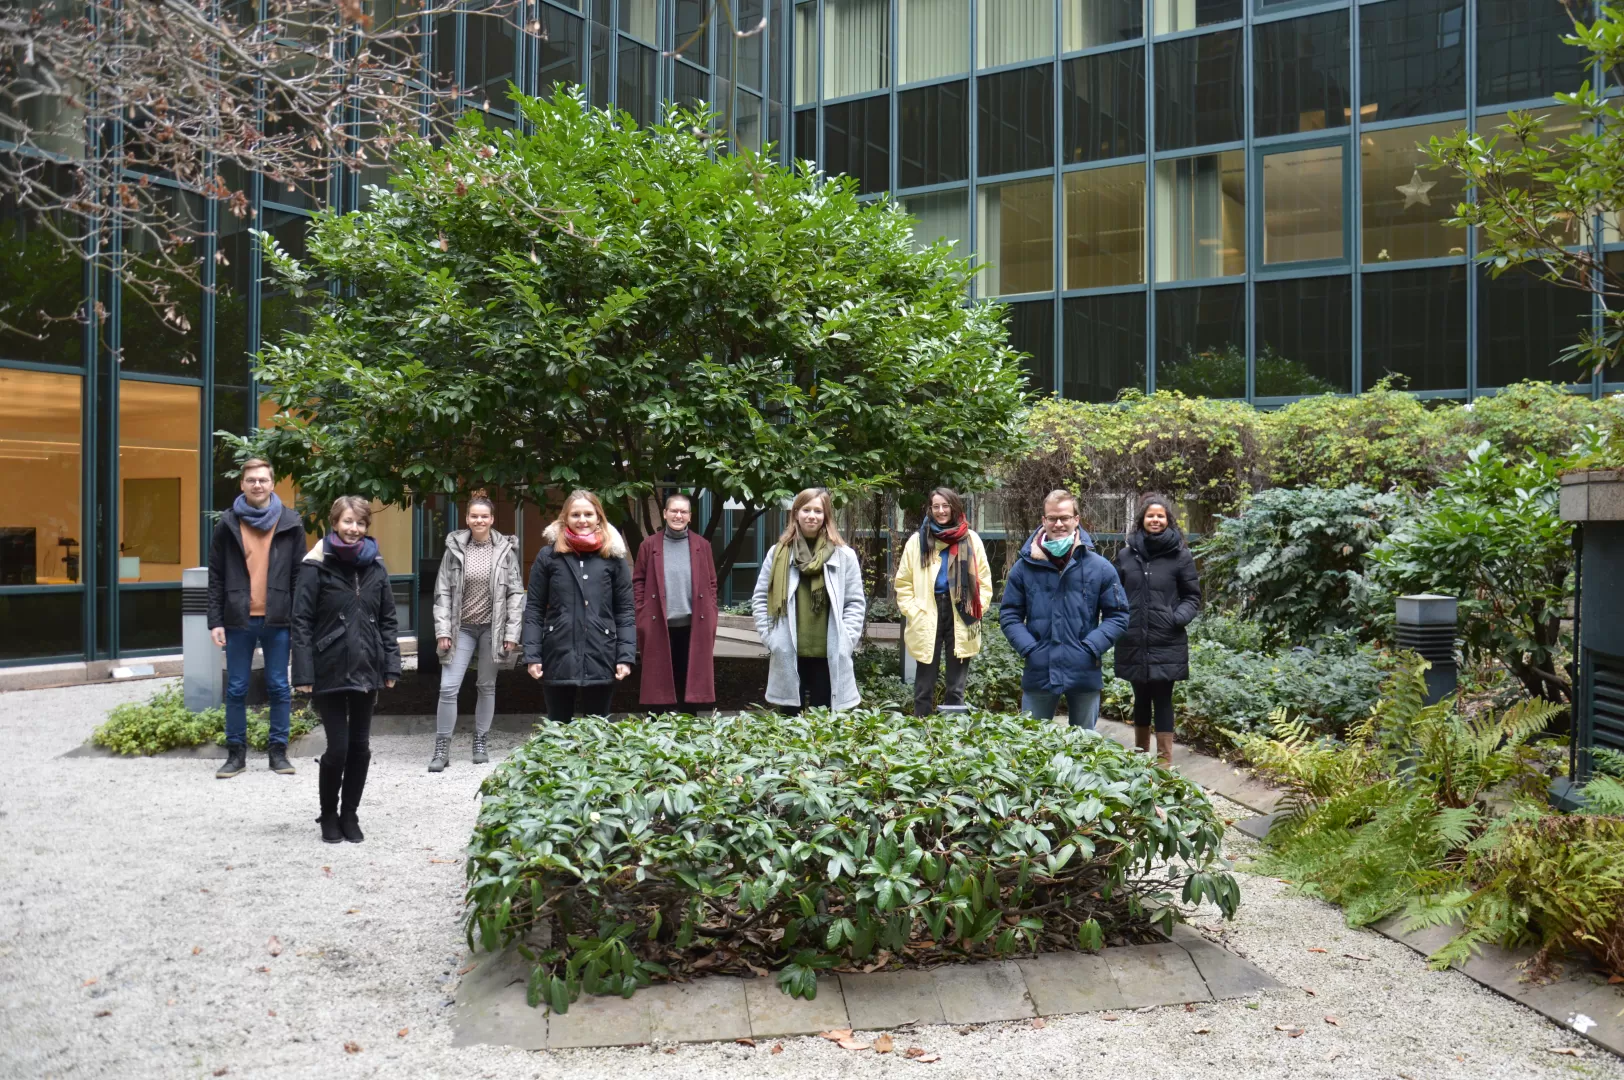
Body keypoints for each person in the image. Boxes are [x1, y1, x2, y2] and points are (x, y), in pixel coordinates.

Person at [291, 496, 401, 844]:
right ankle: (328, 814)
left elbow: (387, 620)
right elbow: (302, 621)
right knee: (337, 748)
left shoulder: (376, 567)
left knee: (361, 747)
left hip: (368, 667)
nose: (353, 529)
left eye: (360, 523)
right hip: (330, 668)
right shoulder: (315, 565)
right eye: (347, 522)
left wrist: (392, 665)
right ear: (334, 522)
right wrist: (304, 674)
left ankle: (350, 813)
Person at [207, 457, 306, 780]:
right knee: (236, 688)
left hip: (278, 619)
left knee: (279, 686)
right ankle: (236, 754)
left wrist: (297, 618)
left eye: (263, 479)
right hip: (238, 620)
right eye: (251, 480)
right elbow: (216, 576)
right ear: (242, 484)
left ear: (272, 483)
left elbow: (298, 577)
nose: (257, 485)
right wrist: (215, 620)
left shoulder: (291, 522)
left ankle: (278, 752)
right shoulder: (227, 524)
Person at [1000, 489, 1130, 728]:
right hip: (1039, 671)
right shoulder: (1024, 568)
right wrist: (1031, 649)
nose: (1058, 524)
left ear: (1076, 520)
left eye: (1065, 517)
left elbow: (1118, 615)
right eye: (1052, 518)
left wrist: (1091, 647)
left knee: (1083, 748)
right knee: (1033, 747)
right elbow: (1009, 615)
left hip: (1084, 670)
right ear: (1044, 521)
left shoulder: (1100, 568)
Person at [428, 492, 526, 772]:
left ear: (492, 519)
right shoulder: (455, 549)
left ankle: (480, 740)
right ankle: (442, 747)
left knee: (486, 686)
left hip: (492, 631)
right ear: (467, 518)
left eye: (484, 516)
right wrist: (443, 630)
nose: (479, 520)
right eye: (474, 516)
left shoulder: (505, 552)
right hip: (462, 630)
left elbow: (515, 596)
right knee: (448, 687)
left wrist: (511, 634)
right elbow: (442, 591)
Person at [521, 491, 636, 725]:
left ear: (598, 518)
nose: (582, 520)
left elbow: (625, 611)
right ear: (565, 519)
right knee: (558, 729)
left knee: (598, 731)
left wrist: (625, 657)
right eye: (575, 514)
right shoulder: (548, 556)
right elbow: (534, 608)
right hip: (558, 653)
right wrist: (532, 656)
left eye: (588, 514)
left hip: (601, 653)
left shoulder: (613, 558)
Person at [751, 488, 867, 714]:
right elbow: (760, 598)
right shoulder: (778, 553)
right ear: (796, 513)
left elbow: (854, 602)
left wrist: (847, 640)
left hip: (829, 652)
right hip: (789, 650)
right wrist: (771, 639)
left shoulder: (844, 555)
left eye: (818, 510)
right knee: (788, 723)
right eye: (806, 510)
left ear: (826, 516)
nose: (811, 516)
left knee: (822, 721)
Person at [1113, 494, 1202, 765]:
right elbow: (1115, 593)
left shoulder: (1181, 556)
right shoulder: (1126, 555)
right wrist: (1120, 619)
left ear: (1168, 520)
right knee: (1140, 698)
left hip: (1167, 640)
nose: (1155, 520)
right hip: (1133, 638)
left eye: (1160, 516)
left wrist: (1175, 618)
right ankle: (1140, 758)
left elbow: (1192, 596)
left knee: (1163, 699)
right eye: (1150, 515)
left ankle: (1164, 763)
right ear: (1142, 519)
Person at [892, 488, 993, 716]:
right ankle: (920, 733)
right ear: (930, 508)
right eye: (936, 506)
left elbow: (984, 580)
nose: (941, 511)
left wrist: (977, 608)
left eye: (946, 506)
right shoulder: (917, 541)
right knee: (923, 685)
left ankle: (952, 738)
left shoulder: (971, 539)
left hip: (962, 611)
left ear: (955, 507)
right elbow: (903, 582)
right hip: (927, 610)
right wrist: (913, 611)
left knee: (956, 686)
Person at [632, 492, 718, 712]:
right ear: (664, 513)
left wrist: (711, 610)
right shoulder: (648, 545)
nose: (678, 515)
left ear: (690, 516)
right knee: (658, 683)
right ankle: (657, 732)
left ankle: (688, 736)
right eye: (674, 511)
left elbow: (711, 582)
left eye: (683, 511)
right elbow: (638, 581)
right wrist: (641, 613)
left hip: (693, 625)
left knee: (690, 684)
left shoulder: (702, 545)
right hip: (658, 624)